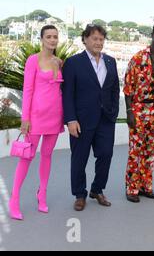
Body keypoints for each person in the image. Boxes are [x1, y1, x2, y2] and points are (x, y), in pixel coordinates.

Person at [9, 25, 64, 220]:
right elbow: (28, 90)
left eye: (55, 37)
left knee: (47, 156)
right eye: (48, 36)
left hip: (55, 116)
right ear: (41, 39)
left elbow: (60, 91)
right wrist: (25, 118)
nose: (52, 40)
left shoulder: (59, 62)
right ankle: (14, 199)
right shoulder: (33, 60)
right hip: (36, 117)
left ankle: (42, 195)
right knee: (27, 157)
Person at [62, 24, 120, 211]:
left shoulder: (110, 61)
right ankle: (80, 194)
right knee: (79, 158)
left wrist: (114, 112)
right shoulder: (73, 62)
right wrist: (70, 119)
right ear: (85, 39)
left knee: (105, 154)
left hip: (106, 119)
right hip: (81, 120)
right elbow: (67, 94)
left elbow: (114, 89)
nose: (98, 42)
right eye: (94, 38)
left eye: (101, 39)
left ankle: (97, 189)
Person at [123, 23, 154, 203]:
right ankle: (132, 188)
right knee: (135, 151)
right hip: (138, 109)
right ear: (152, 35)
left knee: (151, 151)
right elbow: (128, 88)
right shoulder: (137, 58)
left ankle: (146, 187)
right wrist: (129, 112)